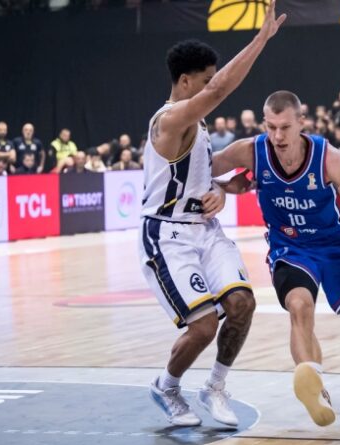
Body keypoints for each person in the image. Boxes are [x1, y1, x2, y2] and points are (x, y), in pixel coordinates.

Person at [213, 91, 340, 426]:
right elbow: (201, 168)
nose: (277, 136)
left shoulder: (329, 158)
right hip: (291, 249)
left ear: (302, 122)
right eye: (271, 127)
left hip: (337, 247)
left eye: (285, 127)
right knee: (300, 306)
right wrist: (218, 187)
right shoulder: (251, 151)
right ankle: (313, 385)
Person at [140, 2, 284, 428]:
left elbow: (205, 173)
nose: (210, 88)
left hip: (205, 230)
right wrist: (261, 40)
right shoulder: (168, 121)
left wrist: (222, 187)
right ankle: (166, 386)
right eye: (204, 81)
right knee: (203, 327)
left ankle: (215, 386)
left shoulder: (198, 129)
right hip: (167, 235)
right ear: (185, 81)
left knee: (242, 304)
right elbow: (220, 90)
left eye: (210, 80)